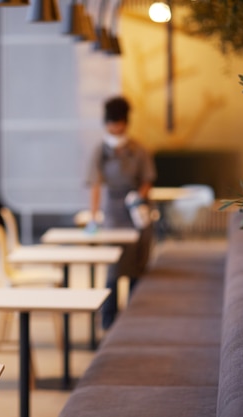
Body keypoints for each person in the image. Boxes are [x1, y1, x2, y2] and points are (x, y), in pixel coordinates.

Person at [85, 96, 156, 330]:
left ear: (126, 123)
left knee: (137, 265)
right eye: (112, 124)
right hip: (113, 212)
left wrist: (139, 196)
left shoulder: (138, 149)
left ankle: (135, 321)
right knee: (114, 267)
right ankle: (109, 320)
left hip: (136, 209)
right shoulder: (101, 151)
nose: (116, 128)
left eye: (120, 123)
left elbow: (147, 178)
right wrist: (93, 217)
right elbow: (95, 184)